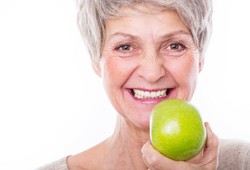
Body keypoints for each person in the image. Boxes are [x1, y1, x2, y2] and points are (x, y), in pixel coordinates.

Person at [37, 0, 250, 169]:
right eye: (126, 47)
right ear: (96, 60)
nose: (152, 73)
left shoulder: (243, 162)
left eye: (174, 46)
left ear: (200, 57)